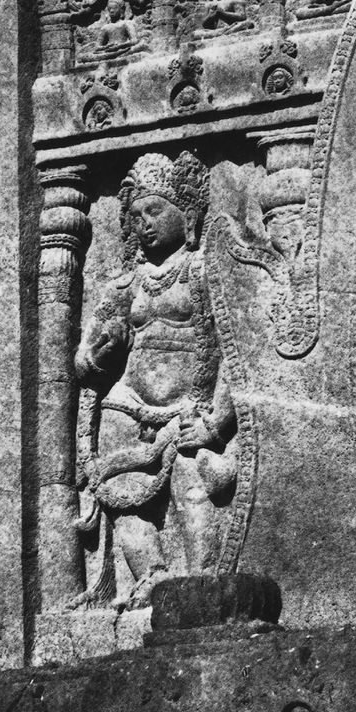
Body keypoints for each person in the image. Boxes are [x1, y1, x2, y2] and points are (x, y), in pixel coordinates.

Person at [74, 152, 236, 607]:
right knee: (121, 493)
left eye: (155, 210)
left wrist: (218, 421)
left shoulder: (206, 271)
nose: (145, 223)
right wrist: (102, 350)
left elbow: (239, 354)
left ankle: (203, 578)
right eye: (136, 216)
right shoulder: (126, 285)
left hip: (190, 405)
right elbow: (84, 363)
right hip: (126, 403)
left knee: (192, 479)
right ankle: (150, 575)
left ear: (186, 211)